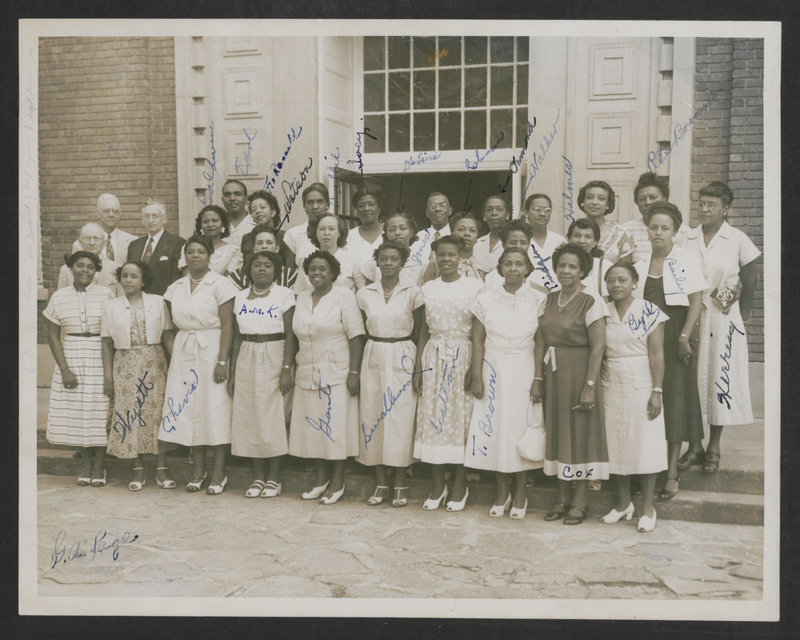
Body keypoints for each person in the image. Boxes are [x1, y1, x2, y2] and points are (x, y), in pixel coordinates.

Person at [683, 182, 761, 474]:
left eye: (711, 204)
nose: (704, 208)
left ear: (725, 209)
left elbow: (751, 279)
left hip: (722, 317)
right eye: (701, 203)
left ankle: (714, 445)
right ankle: (694, 445)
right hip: (691, 314)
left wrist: (742, 314)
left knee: (719, 378)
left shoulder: (737, 239)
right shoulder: (686, 238)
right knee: (690, 377)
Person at [632, 202, 709, 500]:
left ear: (675, 232)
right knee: (648, 403)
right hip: (646, 341)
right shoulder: (640, 262)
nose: (658, 233)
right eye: (654, 227)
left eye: (665, 228)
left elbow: (696, 302)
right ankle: (647, 468)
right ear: (647, 229)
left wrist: (685, 337)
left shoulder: (685, 260)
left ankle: (672, 470)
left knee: (674, 403)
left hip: (677, 339)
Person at [465, 247, 546, 519]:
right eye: (508, 264)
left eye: (519, 264)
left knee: (520, 427)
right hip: (493, 366)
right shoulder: (485, 299)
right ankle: (503, 491)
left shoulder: (538, 298)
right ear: (499, 268)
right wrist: (477, 375)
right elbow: (477, 339)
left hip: (524, 367)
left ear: (527, 268)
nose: (513, 268)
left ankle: (521, 492)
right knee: (496, 428)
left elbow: (540, 342)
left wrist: (537, 377)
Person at [533, 243, 610, 525]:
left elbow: (598, 347)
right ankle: (562, 497)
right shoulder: (550, 299)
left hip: (579, 372)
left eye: (572, 266)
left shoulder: (591, 300)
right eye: (561, 265)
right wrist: (538, 378)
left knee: (580, 435)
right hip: (553, 373)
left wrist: (589, 385)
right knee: (557, 432)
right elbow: (541, 339)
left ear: (583, 271)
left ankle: (580, 500)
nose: (565, 270)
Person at [159, 235, 238, 495]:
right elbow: (168, 328)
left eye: (200, 252)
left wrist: (222, 360)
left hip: (212, 347)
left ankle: (219, 471)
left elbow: (228, 325)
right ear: (185, 257)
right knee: (190, 411)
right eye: (190, 252)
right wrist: (176, 357)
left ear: (209, 256)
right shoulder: (175, 287)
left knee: (214, 409)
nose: (195, 256)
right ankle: (198, 469)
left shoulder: (221, 284)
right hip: (184, 351)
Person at [286, 250, 366, 504]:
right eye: (312, 269)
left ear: (333, 272)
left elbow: (356, 336)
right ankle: (321, 480)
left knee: (335, 427)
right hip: (307, 371)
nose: (317, 273)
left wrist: (354, 372)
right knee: (314, 427)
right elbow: (295, 336)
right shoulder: (302, 297)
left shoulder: (344, 296)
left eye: (322, 269)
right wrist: (288, 367)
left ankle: (338, 481)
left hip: (337, 372)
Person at [412, 235, 484, 511]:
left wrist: (474, 369)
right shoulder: (427, 287)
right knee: (433, 417)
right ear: (434, 257)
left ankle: (459, 484)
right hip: (433, 355)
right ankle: (437, 484)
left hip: (462, 355)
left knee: (459, 419)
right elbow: (422, 331)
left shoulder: (475, 287)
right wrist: (419, 367)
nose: (445, 260)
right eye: (440, 255)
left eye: (451, 255)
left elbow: (479, 332)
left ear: (460, 257)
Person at [599, 263, 668, 532]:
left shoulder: (649, 311)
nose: (617, 285)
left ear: (635, 282)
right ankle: (623, 503)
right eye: (611, 281)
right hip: (610, 379)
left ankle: (647, 508)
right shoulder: (602, 312)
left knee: (645, 443)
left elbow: (657, 354)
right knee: (615, 441)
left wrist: (657, 391)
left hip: (642, 380)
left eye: (623, 280)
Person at [356, 241, 425, 507]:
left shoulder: (412, 292)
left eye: (393, 259)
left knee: (400, 418)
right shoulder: (365, 294)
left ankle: (400, 481)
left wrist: (417, 367)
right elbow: (361, 331)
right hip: (374, 353)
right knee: (373, 414)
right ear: (377, 261)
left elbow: (420, 332)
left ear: (402, 262)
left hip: (402, 353)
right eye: (383, 259)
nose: (387, 263)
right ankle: (380, 480)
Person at [101, 261, 177, 491]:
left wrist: (177, 365)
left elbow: (167, 335)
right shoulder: (111, 306)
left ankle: (161, 468)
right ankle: (138, 468)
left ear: (143, 280)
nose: (128, 280)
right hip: (124, 364)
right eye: (124, 276)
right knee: (130, 413)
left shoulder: (157, 301)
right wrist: (108, 376)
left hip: (154, 362)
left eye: (134, 276)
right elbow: (106, 343)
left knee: (156, 413)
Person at [228, 250, 296, 498]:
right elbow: (236, 336)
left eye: (267, 265)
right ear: (249, 269)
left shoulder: (284, 295)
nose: (262, 269)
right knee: (250, 415)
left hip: (275, 352)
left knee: (273, 415)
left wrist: (286, 368)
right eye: (257, 265)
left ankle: (274, 478)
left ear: (275, 270)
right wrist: (234, 372)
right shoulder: (239, 298)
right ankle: (258, 476)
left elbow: (291, 335)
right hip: (247, 353)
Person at [44, 251, 115, 486]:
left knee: (99, 410)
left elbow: (111, 334)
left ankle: (99, 466)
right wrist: (64, 369)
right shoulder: (59, 296)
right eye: (80, 265)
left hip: (99, 354)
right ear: (70, 268)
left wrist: (109, 373)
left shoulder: (107, 294)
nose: (85, 270)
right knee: (76, 412)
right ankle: (85, 465)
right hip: (72, 355)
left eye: (90, 267)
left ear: (96, 271)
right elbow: (53, 336)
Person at [619, 173, 691, 264]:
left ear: (664, 200)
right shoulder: (627, 229)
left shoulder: (683, 232)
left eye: (653, 197)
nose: (648, 202)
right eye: (642, 199)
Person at [126, 198, 185, 296]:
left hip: (163, 301)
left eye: (155, 216)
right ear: (142, 220)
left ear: (164, 219)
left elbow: (177, 280)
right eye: (147, 216)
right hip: (137, 301)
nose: (150, 220)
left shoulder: (176, 243)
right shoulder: (134, 245)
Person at [355, 211, 424, 288]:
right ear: (386, 233)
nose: (397, 233)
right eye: (391, 230)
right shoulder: (374, 261)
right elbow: (370, 293)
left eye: (402, 228)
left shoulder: (421, 262)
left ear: (411, 232)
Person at [294, 213, 356, 294]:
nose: (326, 233)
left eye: (331, 229)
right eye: (322, 229)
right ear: (315, 233)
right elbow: (298, 293)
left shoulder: (353, 260)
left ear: (339, 233)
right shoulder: (307, 262)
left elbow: (362, 293)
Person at [576, 180, 634, 266]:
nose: (594, 202)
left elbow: (625, 271)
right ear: (582, 202)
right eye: (589, 197)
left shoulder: (622, 233)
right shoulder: (575, 231)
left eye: (601, 198)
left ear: (608, 204)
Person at [483, 220, 548, 294]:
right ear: (503, 244)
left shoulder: (541, 274)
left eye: (523, 243)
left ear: (529, 244)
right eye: (512, 243)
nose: (518, 246)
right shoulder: (492, 277)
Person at [418, 213, 484, 285]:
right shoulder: (436, 263)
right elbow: (428, 291)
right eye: (461, 229)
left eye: (472, 230)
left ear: (477, 237)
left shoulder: (484, 264)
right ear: (452, 233)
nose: (467, 234)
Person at [59, 222, 123, 296]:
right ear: (80, 241)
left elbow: (120, 301)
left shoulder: (117, 268)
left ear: (104, 243)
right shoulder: (66, 269)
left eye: (96, 238)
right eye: (88, 238)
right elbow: (62, 299)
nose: (92, 243)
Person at [71, 193, 136, 263]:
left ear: (120, 214)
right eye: (106, 211)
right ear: (97, 213)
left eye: (115, 211)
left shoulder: (132, 242)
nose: (111, 215)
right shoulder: (81, 244)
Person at [178, 205, 241, 277]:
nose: (210, 224)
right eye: (205, 222)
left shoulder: (233, 251)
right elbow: (187, 277)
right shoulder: (190, 247)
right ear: (200, 226)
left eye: (214, 221)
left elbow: (229, 281)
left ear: (223, 224)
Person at [283, 183, 330, 277]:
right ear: (304, 207)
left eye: (320, 201)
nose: (315, 206)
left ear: (327, 205)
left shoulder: (338, 233)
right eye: (310, 202)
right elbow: (288, 273)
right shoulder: (293, 235)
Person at [229, 225, 296, 290]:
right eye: (259, 243)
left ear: (277, 248)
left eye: (269, 242)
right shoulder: (240, 274)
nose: (264, 246)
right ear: (254, 249)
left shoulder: (289, 275)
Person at [523, 194, 565, 293]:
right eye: (537, 209)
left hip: (557, 295)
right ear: (526, 212)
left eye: (547, 210)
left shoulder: (559, 241)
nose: (542, 213)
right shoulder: (520, 241)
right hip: (527, 294)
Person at [566, 218, 612, 298]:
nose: (582, 241)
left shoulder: (605, 266)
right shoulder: (560, 265)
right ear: (568, 239)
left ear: (595, 242)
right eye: (577, 236)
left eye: (588, 237)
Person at [347, 185, 386, 276]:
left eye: (371, 204)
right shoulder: (348, 237)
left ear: (379, 207)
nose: (366, 209)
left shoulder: (390, 233)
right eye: (361, 205)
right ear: (356, 209)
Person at [408, 192, 453, 268]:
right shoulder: (417, 238)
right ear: (427, 213)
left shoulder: (455, 235)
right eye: (433, 206)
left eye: (442, 205)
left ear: (450, 211)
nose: (438, 209)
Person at [472, 195, 512, 274]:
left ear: (507, 215)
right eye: (489, 210)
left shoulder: (513, 243)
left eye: (499, 209)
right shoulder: (476, 243)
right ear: (484, 216)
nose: (494, 213)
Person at [221, 179, 256, 247]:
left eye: (238, 194)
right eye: (227, 195)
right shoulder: (216, 224)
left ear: (246, 199)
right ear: (222, 200)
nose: (232, 198)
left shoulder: (256, 223)